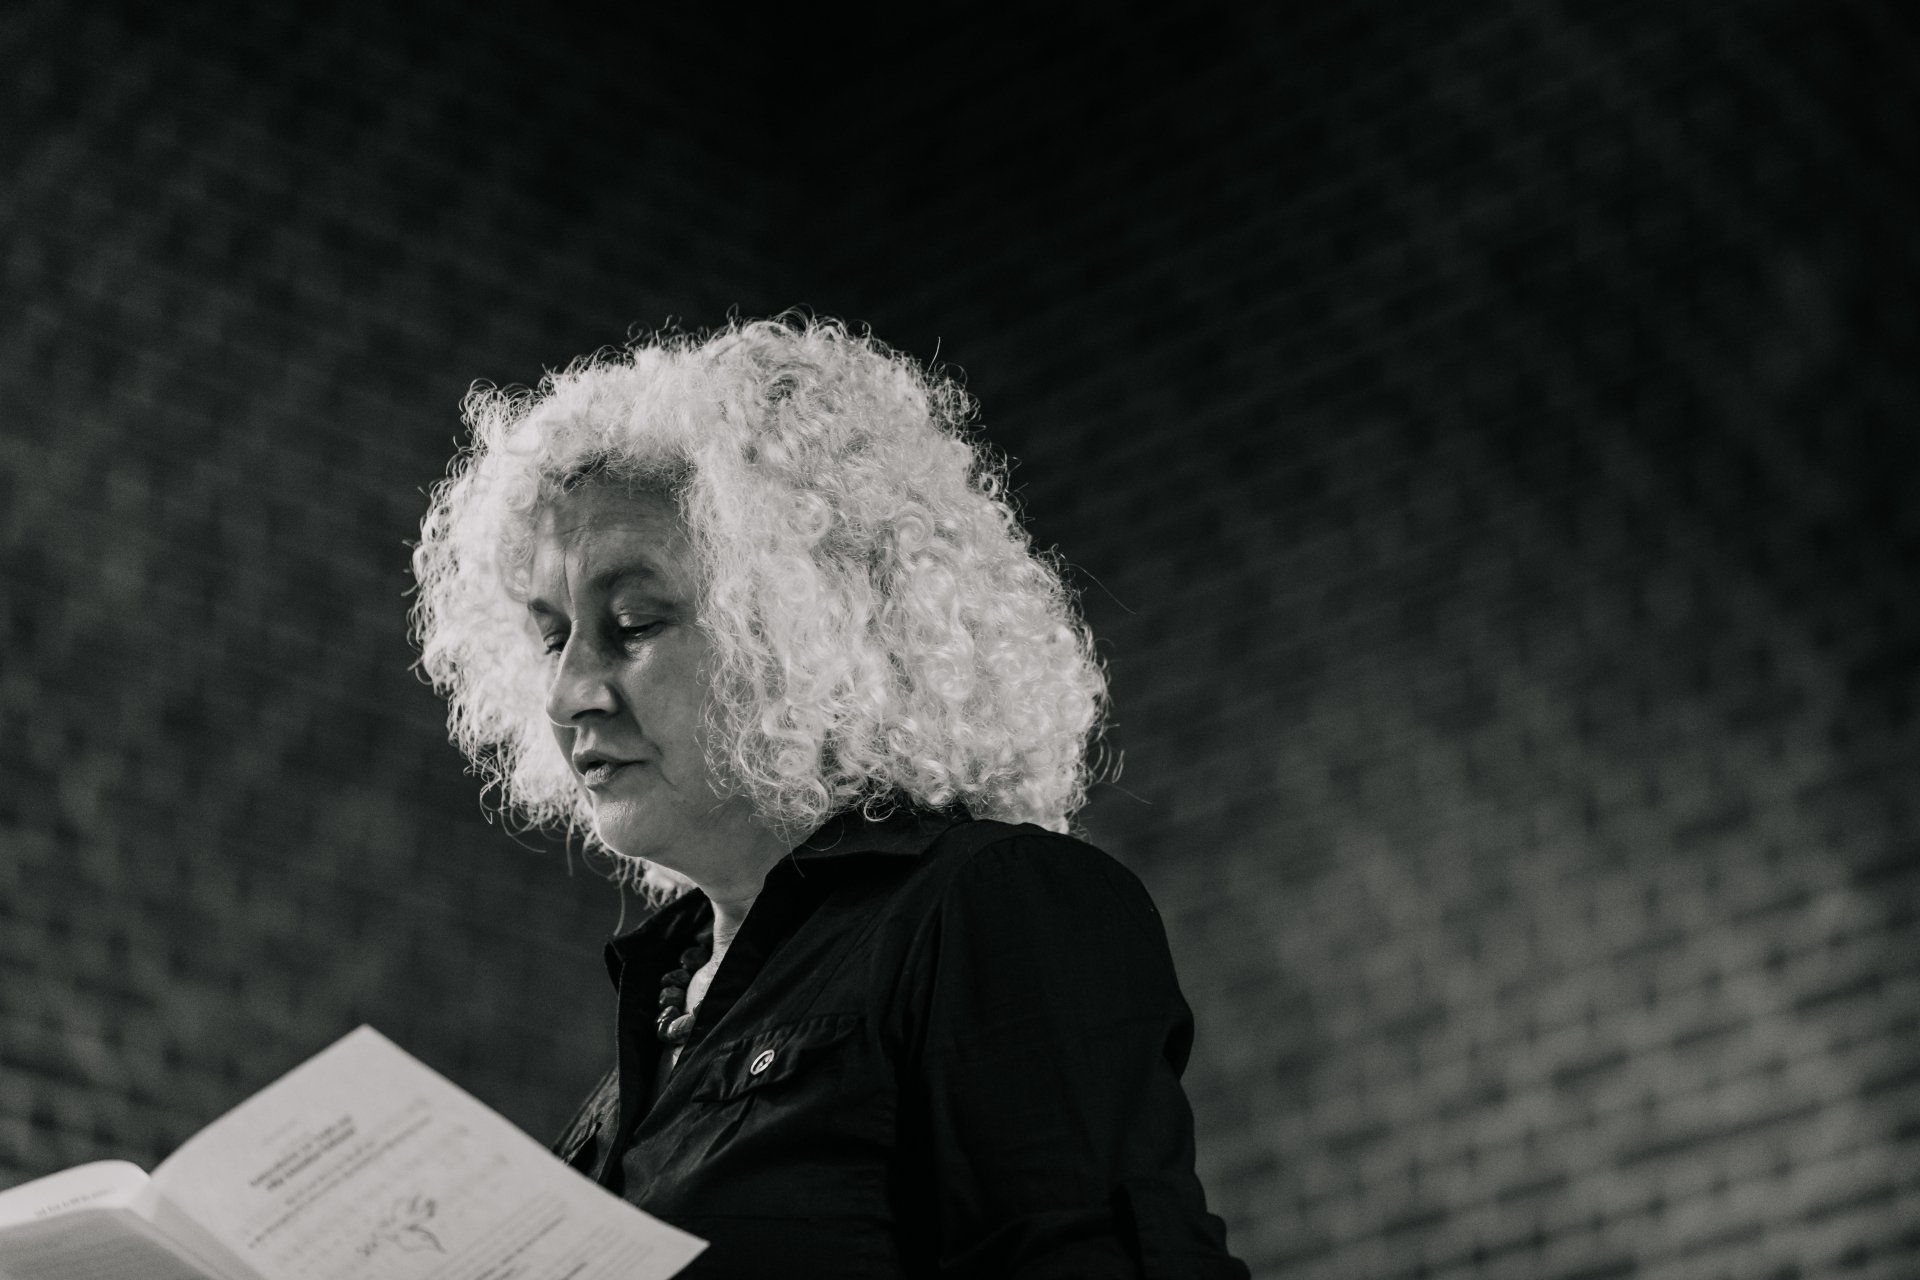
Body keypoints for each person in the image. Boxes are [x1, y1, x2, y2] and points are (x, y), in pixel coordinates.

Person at [409, 314, 1247, 1277]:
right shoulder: (651, 1034)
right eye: (552, 637)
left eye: (633, 624)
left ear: (805, 627)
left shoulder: (988, 909)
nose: (568, 694)